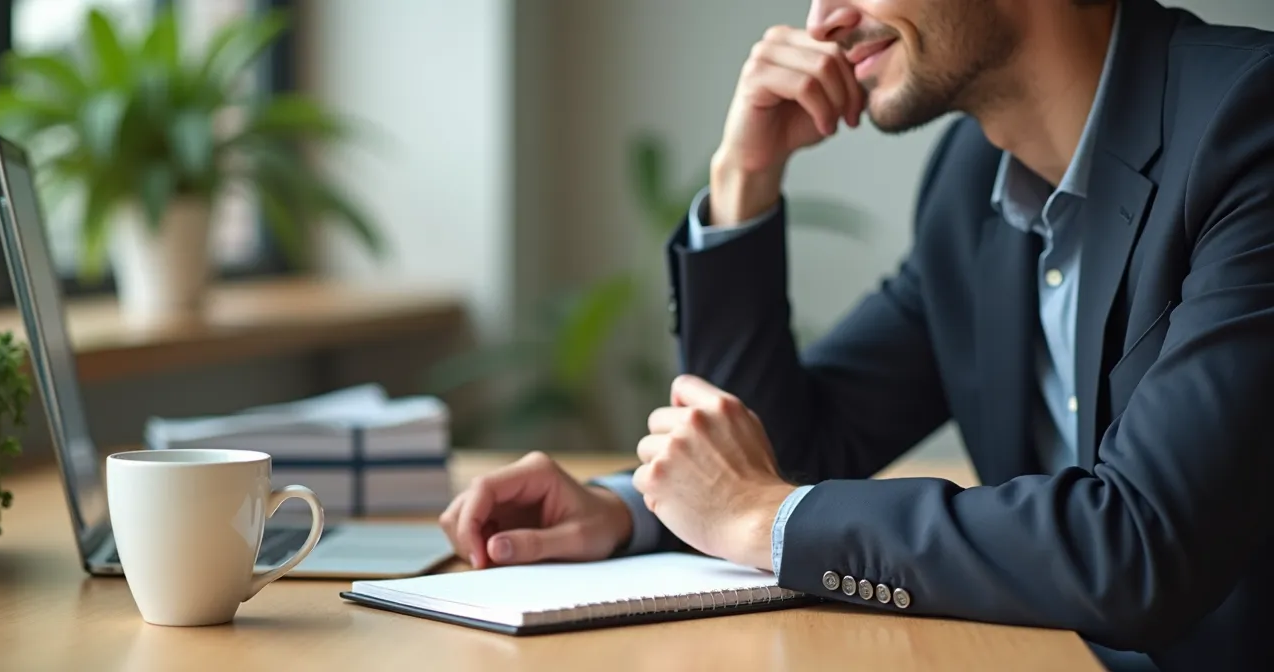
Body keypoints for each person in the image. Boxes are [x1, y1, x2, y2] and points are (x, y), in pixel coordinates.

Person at [437, 0, 1274, 669]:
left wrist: (755, 514)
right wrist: (744, 181)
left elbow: (1141, 544)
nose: (821, 20)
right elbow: (798, 449)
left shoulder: (1250, 124)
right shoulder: (968, 184)